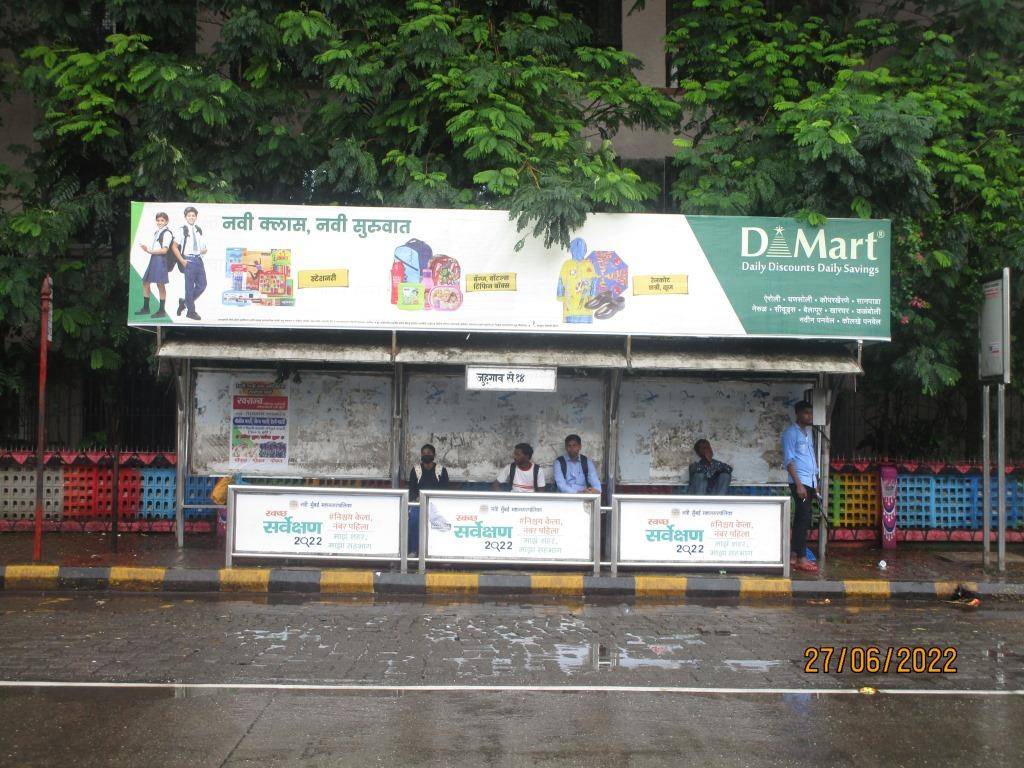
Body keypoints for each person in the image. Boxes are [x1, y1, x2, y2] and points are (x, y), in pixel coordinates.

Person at [782, 400, 819, 572]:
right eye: (806, 413)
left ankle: (794, 556)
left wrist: (815, 484)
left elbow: (810, 458)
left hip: (809, 481)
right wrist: (798, 485)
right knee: (803, 520)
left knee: (802, 520)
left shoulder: (808, 433)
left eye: (810, 413)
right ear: (797, 414)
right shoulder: (791, 433)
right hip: (800, 482)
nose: (809, 416)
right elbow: (789, 460)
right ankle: (802, 558)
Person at [136, 212, 175, 318]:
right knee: (145, 282)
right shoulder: (157, 232)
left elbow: (164, 250)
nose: (160, 222)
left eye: (162, 220)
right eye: (158, 220)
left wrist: (149, 251)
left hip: (161, 260)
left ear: (166, 221)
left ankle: (161, 310)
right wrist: (149, 250)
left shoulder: (167, 233)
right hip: (154, 259)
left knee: (160, 284)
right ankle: (146, 308)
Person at [176, 205, 208, 321]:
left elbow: (203, 247)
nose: (191, 217)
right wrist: (182, 260)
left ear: (196, 217)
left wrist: (204, 250)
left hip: (199, 260)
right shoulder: (182, 230)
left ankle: (184, 302)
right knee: (189, 288)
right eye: (189, 215)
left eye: (193, 215)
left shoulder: (198, 229)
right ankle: (191, 312)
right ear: (185, 217)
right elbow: (174, 247)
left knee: (202, 285)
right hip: (188, 260)